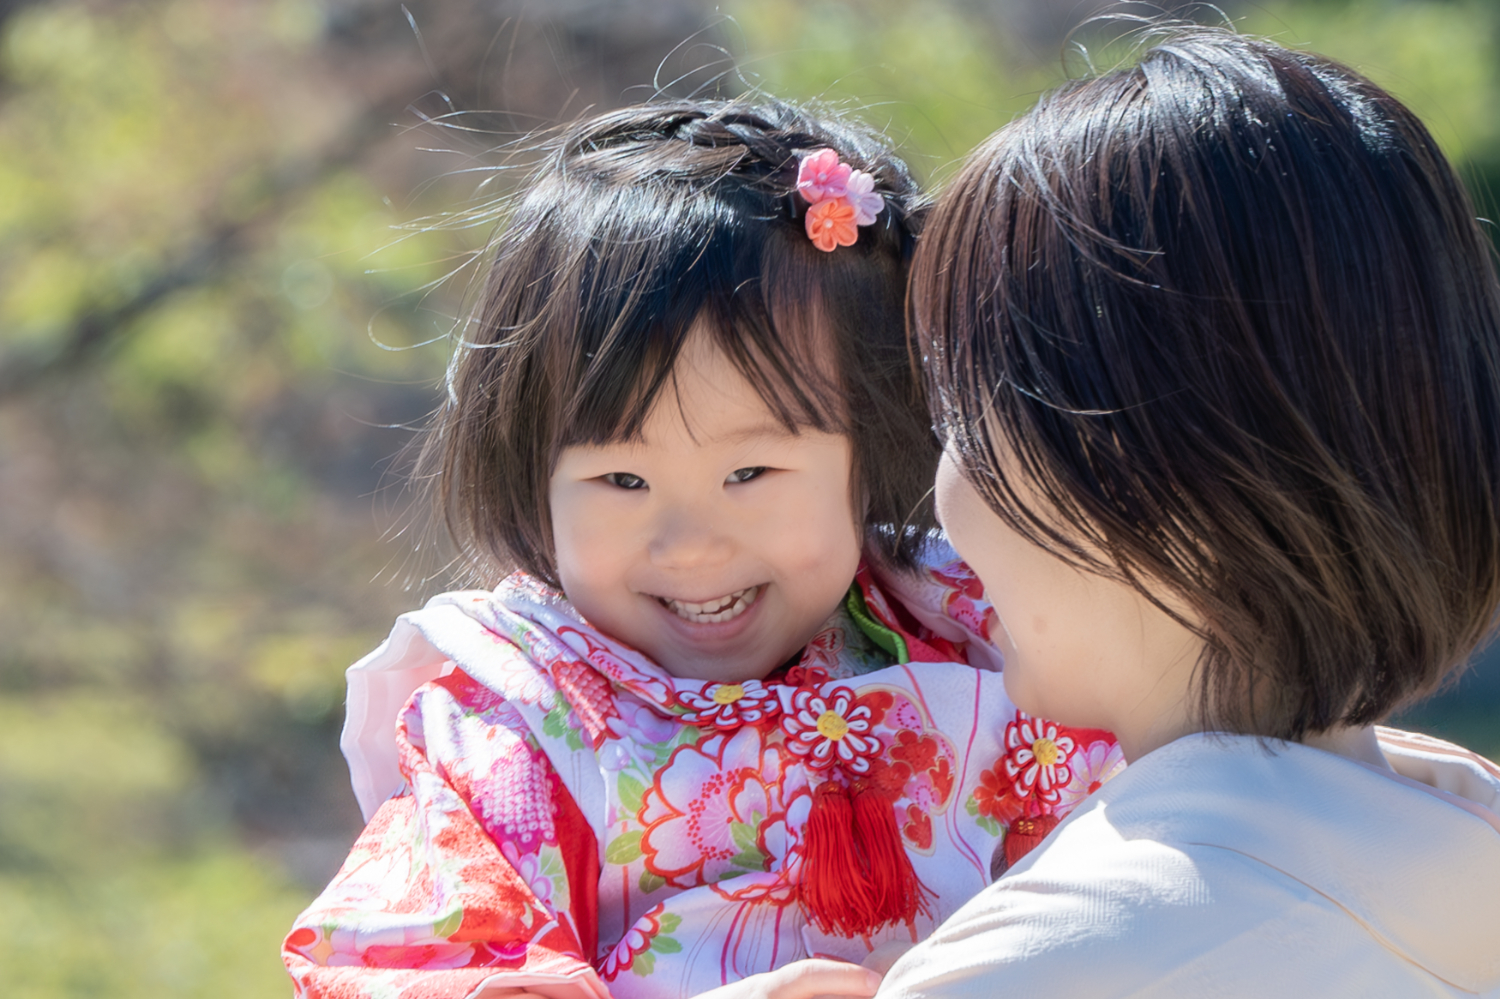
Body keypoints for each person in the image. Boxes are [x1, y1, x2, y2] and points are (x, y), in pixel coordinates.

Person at [282, 99, 1122, 999]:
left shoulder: (977, 621)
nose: (689, 545)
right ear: (532, 471)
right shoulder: (516, 721)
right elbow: (414, 975)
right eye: (623, 482)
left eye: (752, 470)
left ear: (867, 449)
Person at [881, 26, 1500, 999]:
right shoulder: (1465, 841)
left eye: (961, 411)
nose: (939, 500)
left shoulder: (1051, 962)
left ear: (1129, 464)